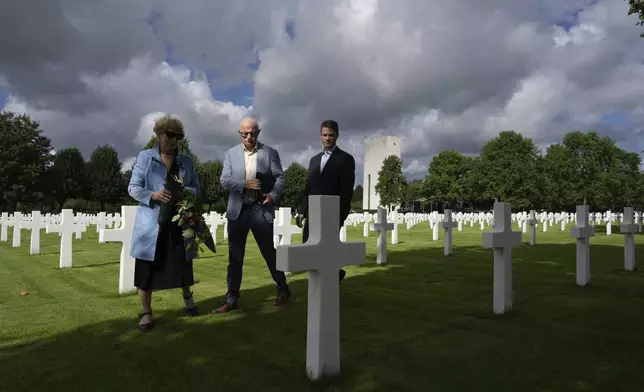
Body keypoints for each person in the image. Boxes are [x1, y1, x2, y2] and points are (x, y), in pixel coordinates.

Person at [128, 115, 201, 331]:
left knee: (183, 263)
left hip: (179, 221)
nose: (173, 142)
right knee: (146, 269)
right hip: (151, 223)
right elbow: (133, 187)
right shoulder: (145, 158)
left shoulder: (186, 161)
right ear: (159, 134)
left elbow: (196, 188)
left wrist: (183, 192)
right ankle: (146, 312)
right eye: (169, 136)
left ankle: (187, 296)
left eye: (177, 137)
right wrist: (154, 195)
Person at [215, 117, 290, 314]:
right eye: (245, 133)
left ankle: (283, 289)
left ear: (258, 132)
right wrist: (244, 184)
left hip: (260, 208)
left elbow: (281, 177)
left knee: (268, 252)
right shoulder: (231, 154)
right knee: (235, 257)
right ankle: (231, 299)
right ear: (240, 134)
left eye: (253, 133)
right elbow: (224, 180)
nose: (249, 137)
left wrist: (273, 196)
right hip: (237, 211)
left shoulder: (270, 153)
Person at [296, 120, 355, 282]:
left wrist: (340, 216)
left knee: (326, 253)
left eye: (331, 135)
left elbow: (346, 191)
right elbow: (308, 188)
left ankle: (327, 283)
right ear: (320, 136)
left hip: (332, 213)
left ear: (337, 136)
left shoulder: (345, 159)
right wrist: (302, 211)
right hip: (313, 213)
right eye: (324, 135)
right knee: (308, 251)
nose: (327, 138)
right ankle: (335, 274)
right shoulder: (314, 160)